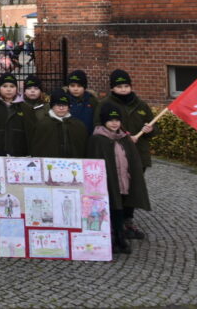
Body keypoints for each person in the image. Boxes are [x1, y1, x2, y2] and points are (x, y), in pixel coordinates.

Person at [97, 69, 157, 240]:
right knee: (116, 189)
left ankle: (128, 221)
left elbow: (153, 130)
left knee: (133, 188)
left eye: (126, 86)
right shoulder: (105, 104)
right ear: (112, 88)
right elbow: (99, 126)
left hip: (138, 155)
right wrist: (122, 137)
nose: (123, 89)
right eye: (119, 86)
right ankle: (115, 222)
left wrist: (150, 129)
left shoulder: (141, 105)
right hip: (115, 155)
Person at [87, 107, 150, 255]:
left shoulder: (124, 138)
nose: (114, 123)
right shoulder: (97, 139)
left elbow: (131, 160)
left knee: (120, 209)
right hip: (107, 182)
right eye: (110, 120)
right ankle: (111, 238)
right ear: (104, 122)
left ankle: (121, 237)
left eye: (117, 120)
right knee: (109, 209)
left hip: (123, 181)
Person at [0, 74, 33, 157]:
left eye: (12, 86)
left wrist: (28, 151)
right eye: (5, 86)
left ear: (16, 89)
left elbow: (30, 131)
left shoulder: (25, 107)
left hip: (20, 153)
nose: (9, 89)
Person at [32, 89, 89, 158]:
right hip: (50, 164)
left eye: (64, 105)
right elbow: (37, 147)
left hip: (73, 164)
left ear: (69, 107)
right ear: (52, 106)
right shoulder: (42, 124)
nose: (61, 108)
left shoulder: (78, 125)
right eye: (58, 105)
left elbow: (83, 148)